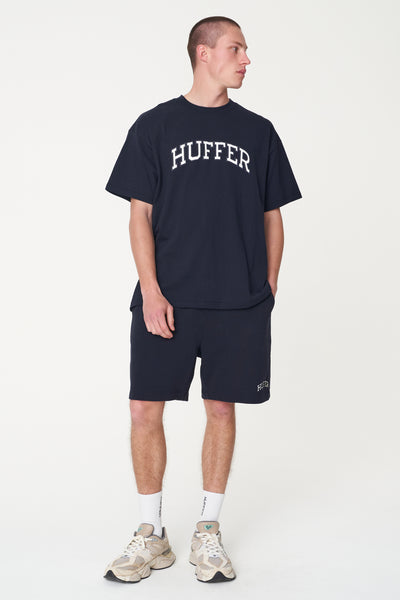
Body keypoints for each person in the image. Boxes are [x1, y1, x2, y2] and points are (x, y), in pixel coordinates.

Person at [103, 15, 302, 584]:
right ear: (204, 53)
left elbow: (272, 215)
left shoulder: (259, 132)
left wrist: (268, 286)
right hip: (168, 299)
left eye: (245, 50)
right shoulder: (155, 126)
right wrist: (151, 290)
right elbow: (139, 216)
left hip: (238, 303)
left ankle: (208, 532)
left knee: (221, 409)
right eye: (236, 48)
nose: (246, 60)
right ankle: (151, 534)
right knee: (144, 410)